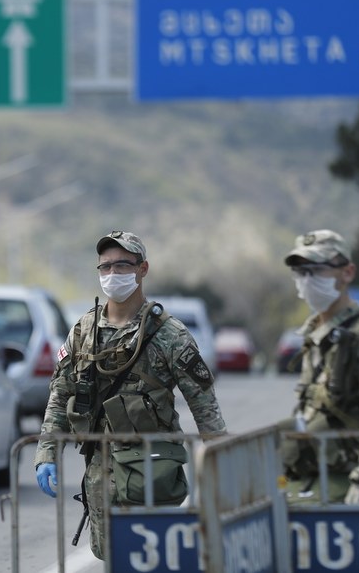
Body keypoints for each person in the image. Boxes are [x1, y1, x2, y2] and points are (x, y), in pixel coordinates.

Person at [33, 230, 227, 560]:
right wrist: (46, 452)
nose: (112, 275)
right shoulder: (84, 330)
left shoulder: (169, 334)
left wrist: (225, 464)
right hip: (99, 473)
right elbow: (61, 393)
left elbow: (204, 404)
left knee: (153, 559)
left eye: (122, 266)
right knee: (110, 556)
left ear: (142, 269)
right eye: (105, 267)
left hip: (151, 473)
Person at [280, 229, 359, 505]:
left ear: (347, 273)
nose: (307, 280)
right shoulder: (315, 334)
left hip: (342, 483)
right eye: (300, 272)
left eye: (317, 270)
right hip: (305, 477)